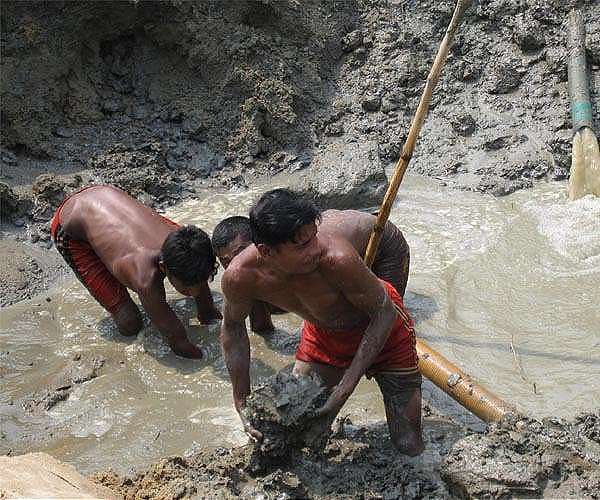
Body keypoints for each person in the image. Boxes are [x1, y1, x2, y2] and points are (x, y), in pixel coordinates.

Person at [220, 189, 423, 456]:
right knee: (291, 421)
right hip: (326, 333)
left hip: (385, 322)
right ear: (266, 251)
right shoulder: (240, 276)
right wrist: (241, 402)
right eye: (302, 246)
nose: (315, 249)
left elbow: (384, 312)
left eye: (314, 237)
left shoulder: (336, 257)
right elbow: (233, 327)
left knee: (408, 445)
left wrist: (342, 392)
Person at [51, 185, 221, 359]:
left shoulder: (187, 241)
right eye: (187, 287)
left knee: (198, 283)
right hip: (71, 225)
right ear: (163, 267)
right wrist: (211, 358)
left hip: (105, 196)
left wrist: (208, 312)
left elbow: (203, 290)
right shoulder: (145, 278)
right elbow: (178, 342)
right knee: (129, 323)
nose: (194, 292)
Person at [212, 210, 410, 333]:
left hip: (380, 241)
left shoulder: (310, 255)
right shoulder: (244, 273)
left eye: (240, 253)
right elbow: (261, 328)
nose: (233, 264)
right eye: (225, 262)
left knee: (384, 323)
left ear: (260, 246)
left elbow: (383, 315)